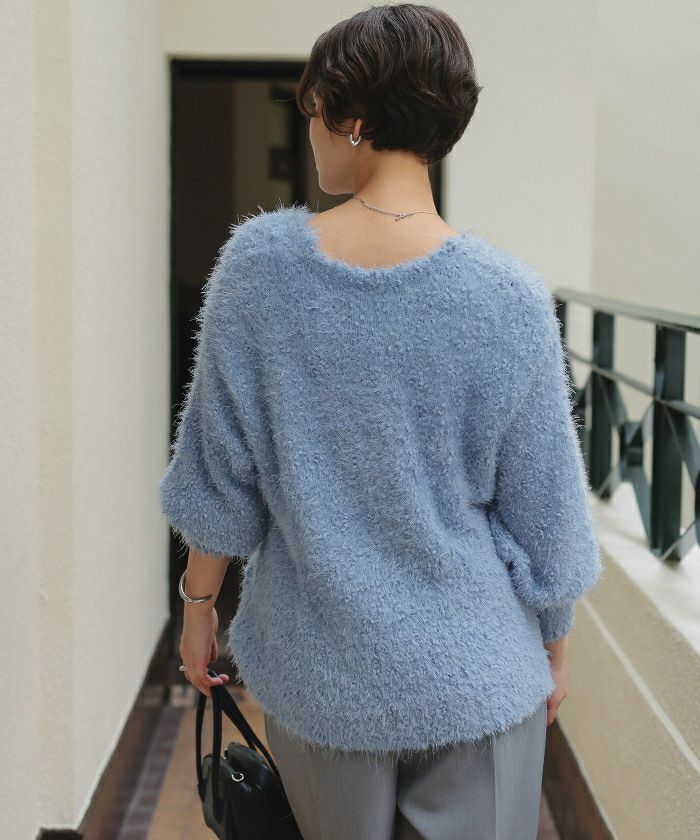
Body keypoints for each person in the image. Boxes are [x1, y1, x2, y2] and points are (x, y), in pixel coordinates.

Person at [158, 4, 603, 839]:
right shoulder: (509, 296)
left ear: (352, 117)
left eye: (313, 110)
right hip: (481, 677)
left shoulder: (259, 272)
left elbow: (220, 480)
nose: (312, 132)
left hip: (324, 684)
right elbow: (546, 509)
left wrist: (198, 605)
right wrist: (554, 642)